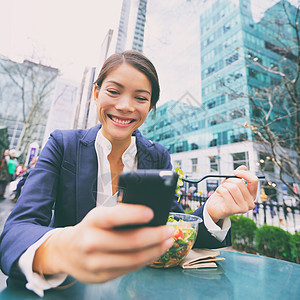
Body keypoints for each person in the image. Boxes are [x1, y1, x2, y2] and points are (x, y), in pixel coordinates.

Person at [0, 50, 258, 297]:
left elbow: (172, 231)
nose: (125, 106)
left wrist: (213, 211)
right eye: (113, 91)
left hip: (137, 290)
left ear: (150, 106)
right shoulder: (62, 144)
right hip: (67, 290)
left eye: (141, 98)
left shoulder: (157, 156)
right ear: (96, 93)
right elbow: (16, 232)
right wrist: (63, 249)